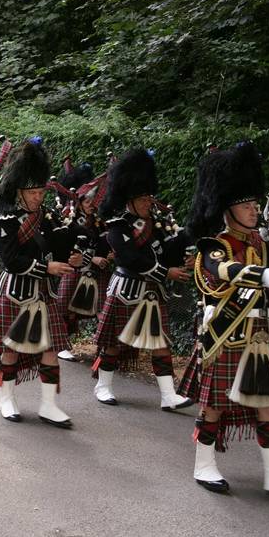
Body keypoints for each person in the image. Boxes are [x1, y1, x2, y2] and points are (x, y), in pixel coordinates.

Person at [178, 142, 269, 496]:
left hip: (258, 336)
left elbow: (266, 278)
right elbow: (224, 271)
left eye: (255, 204)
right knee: (214, 405)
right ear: (227, 209)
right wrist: (263, 277)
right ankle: (204, 465)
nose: (254, 211)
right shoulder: (214, 243)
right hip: (225, 335)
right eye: (245, 204)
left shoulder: (261, 240)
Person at [0, 139, 82, 427]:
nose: (39, 197)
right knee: (10, 349)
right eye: (33, 192)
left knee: (50, 350)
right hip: (14, 291)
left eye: (41, 191)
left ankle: (49, 405)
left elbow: (58, 248)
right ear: (20, 192)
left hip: (43, 293)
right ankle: (7, 399)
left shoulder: (48, 217)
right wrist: (46, 266)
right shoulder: (5, 219)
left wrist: (71, 259)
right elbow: (10, 260)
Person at [90, 149, 194, 410]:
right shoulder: (117, 225)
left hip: (153, 292)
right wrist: (165, 272)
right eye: (143, 198)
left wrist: (183, 259)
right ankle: (103, 385)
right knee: (113, 343)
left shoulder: (158, 224)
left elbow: (166, 252)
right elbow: (129, 258)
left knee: (161, 344)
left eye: (150, 196)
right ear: (130, 200)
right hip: (126, 288)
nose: (149, 201)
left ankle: (168, 395)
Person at [54, 162, 113, 362]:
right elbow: (66, 246)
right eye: (86, 199)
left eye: (92, 199)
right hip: (74, 268)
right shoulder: (69, 218)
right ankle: (61, 344)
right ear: (78, 200)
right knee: (64, 306)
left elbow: (105, 241)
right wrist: (91, 257)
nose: (90, 203)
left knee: (104, 308)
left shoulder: (99, 220)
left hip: (98, 271)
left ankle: (105, 348)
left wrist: (110, 254)